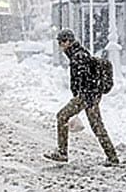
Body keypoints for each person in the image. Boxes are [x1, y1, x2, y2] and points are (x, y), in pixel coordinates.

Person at [44, 29, 119, 165]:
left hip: (86, 96)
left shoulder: (79, 57)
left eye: (61, 42)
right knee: (97, 126)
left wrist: (84, 98)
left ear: (67, 41)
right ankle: (112, 156)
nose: (60, 45)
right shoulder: (79, 54)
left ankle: (62, 152)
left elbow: (85, 80)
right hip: (91, 96)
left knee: (62, 116)